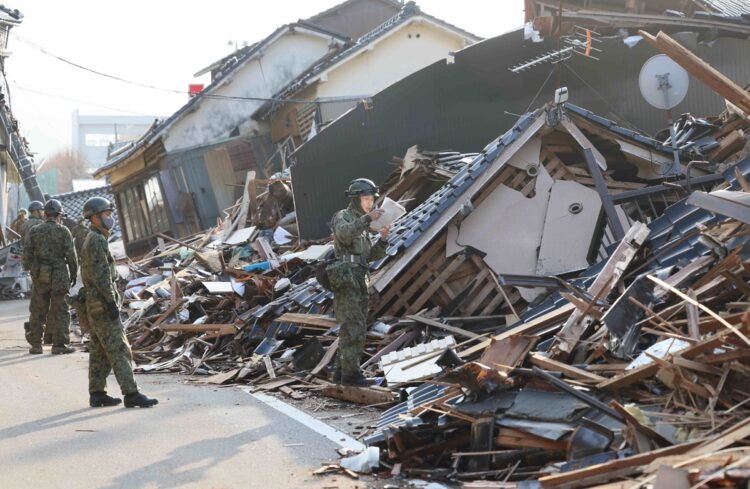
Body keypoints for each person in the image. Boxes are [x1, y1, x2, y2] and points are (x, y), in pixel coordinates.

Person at [80, 197, 157, 408]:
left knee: (99, 350)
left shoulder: (95, 238)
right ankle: (131, 394)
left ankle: (97, 393)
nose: (110, 218)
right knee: (118, 348)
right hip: (102, 304)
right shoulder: (95, 240)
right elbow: (101, 275)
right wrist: (111, 303)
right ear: (95, 218)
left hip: (95, 304)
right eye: (106, 214)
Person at [329, 178, 390, 386]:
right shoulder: (344, 217)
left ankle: (341, 373)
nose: (370, 203)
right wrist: (367, 220)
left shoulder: (363, 223)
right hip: (347, 278)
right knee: (353, 326)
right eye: (365, 199)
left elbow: (368, 255)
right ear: (356, 199)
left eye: (372, 199)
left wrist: (382, 239)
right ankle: (351, 375)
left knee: (354, 326)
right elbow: (344, 235)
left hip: (359, 276)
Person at [22, 199, 77, 355]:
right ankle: (60, 345)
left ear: (45, 214)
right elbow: (71, 257)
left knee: (38, 310)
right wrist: (73, 273)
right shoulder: (64, 231)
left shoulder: (34, 230)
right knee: (61, 309)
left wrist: (32, 270)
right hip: (60, 274)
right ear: (59, 215)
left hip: (40, 274)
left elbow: (26, 255)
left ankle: (36, 345)